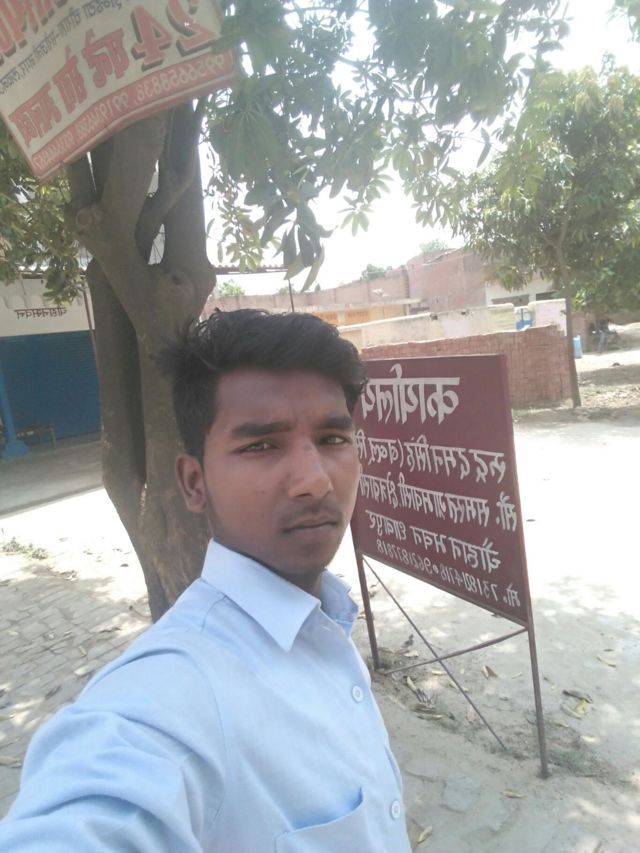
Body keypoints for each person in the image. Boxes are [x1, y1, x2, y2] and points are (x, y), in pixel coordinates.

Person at [0, 309, 411, 852]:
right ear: (194, 483)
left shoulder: (324, 621)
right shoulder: (167, 698)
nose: (315, 480)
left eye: (333, 438)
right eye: (261, 446)